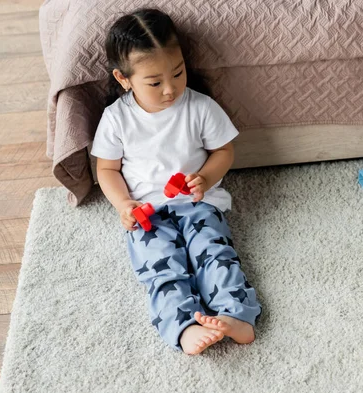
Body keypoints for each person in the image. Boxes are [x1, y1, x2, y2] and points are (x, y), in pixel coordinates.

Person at [91, 8, 261, 355]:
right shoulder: (117, 118)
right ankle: (182, 326)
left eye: (178, 73)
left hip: (199, 202)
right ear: (124, 79)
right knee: (163, 269)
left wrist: (206, 177)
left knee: (215, 254)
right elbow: (106, 170)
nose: (170, 89)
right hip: (147, 211)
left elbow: (223, 151)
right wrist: (124, 204)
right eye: (154, 83)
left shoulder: (200, 107)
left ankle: (237, 316)